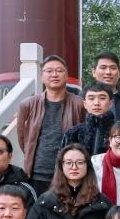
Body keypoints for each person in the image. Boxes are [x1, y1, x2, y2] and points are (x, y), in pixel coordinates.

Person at [16, 54, 85, 194]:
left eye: (59, 71)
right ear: (42, 76)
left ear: (66, 76)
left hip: (69, 173)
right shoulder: (27, 105)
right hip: (36, 175)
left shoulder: (80, 104)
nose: (54, 74)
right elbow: (23, 139)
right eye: (49, 71)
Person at [61, 82, 117, 155]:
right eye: (91, 98)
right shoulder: (73, 133)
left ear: (110, 103)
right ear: (85, 104)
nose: (96, 103)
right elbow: (63, 159)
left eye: (102, 98)